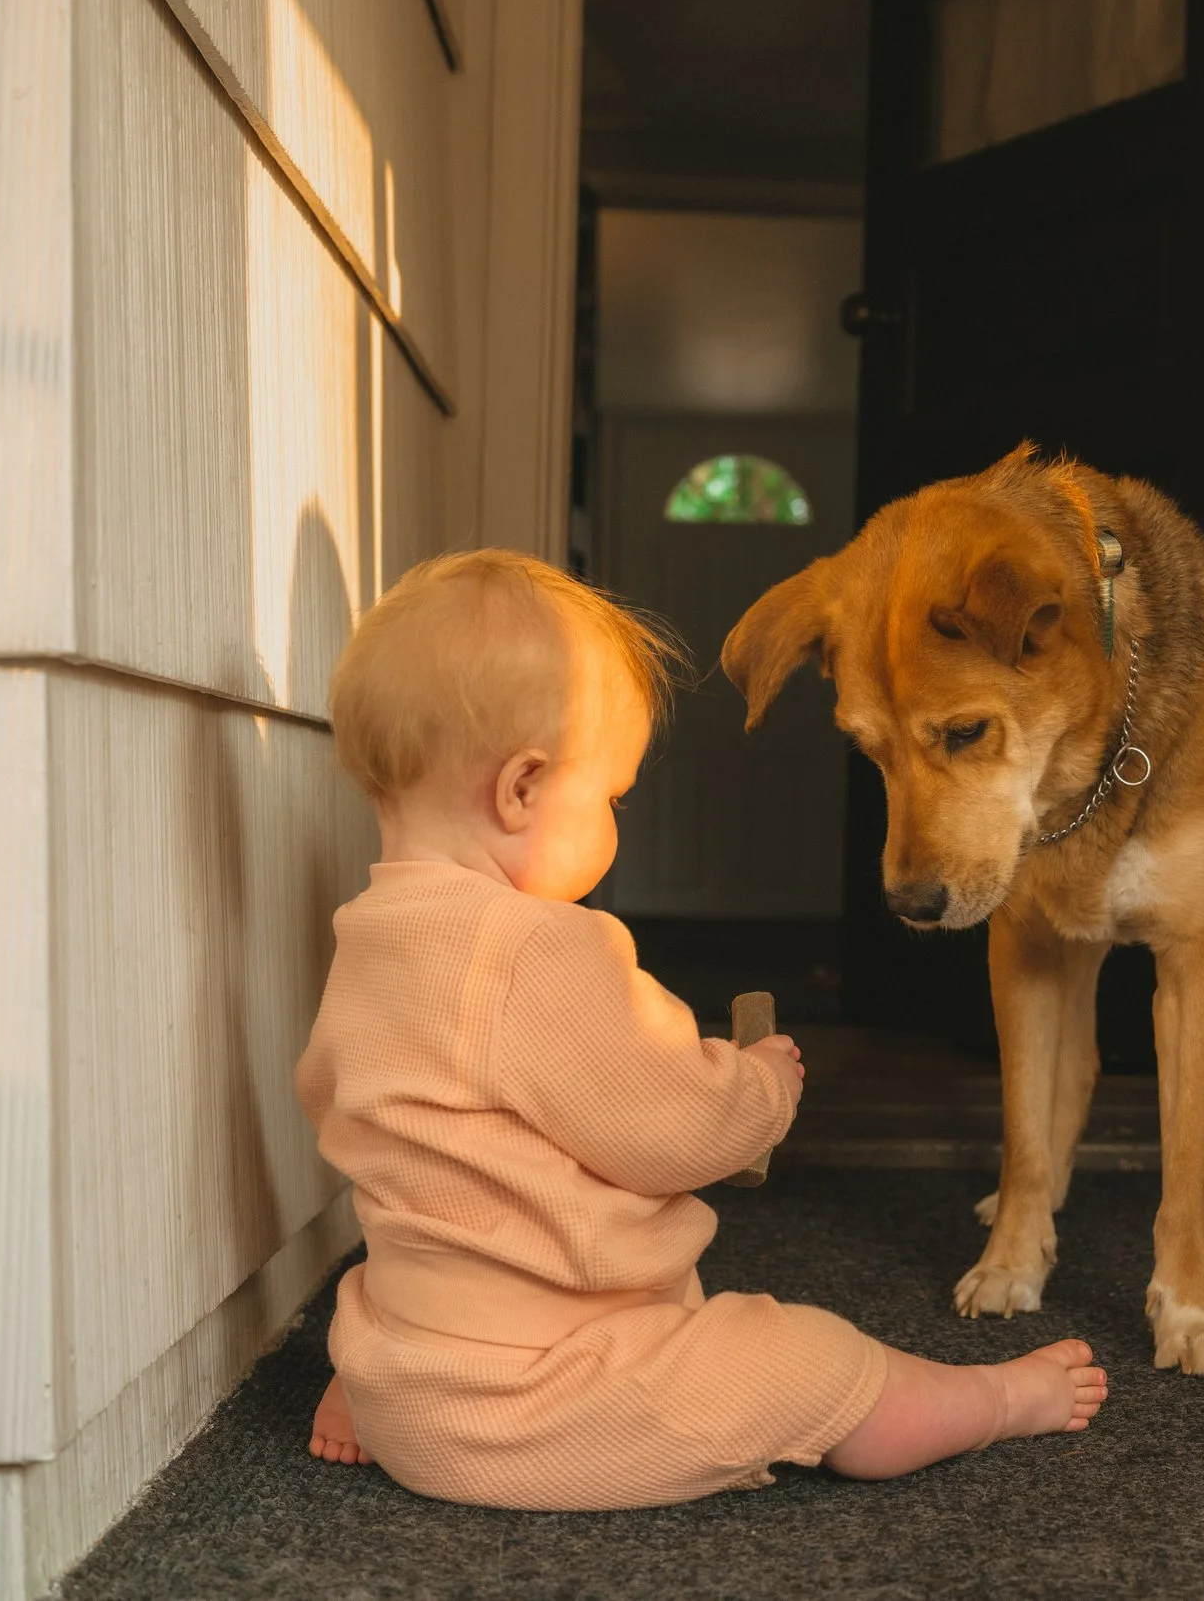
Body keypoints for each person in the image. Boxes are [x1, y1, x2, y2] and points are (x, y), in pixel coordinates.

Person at [294, 549, 1105, 1509]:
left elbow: (358, 1122)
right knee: (802, 1355)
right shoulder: (536, 951)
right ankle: (992, 1398)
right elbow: (666, 1129)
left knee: (429, 1234)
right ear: (520, 790)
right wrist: (758, 1085)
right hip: (545, 1405)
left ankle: (375, 1383)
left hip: (412, 1391)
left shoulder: (368, 940)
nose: (617, 824)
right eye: (611, 797)